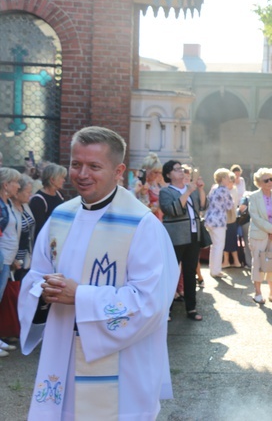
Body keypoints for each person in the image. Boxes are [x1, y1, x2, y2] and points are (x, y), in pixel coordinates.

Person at [19, 126, 179, 419]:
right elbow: (35, 274)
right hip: (62, 354)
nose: (82, 174)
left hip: (120, 367)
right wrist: (43, 290)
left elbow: (150, 303)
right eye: (76, 164)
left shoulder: (142, 225)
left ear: (118, 170)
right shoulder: (61, 216)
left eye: (94, 166)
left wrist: (79, 296)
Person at [160, 160, 207, 320]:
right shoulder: (166, 192)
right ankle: (166, 309)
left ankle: (191, 308)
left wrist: (200, 190)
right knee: (171, 273)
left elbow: (202, 205)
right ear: (168, 174)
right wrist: (187, 192)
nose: (181, 171)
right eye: (176, 169)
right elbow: (173, 210)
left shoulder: (190, 189)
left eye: (181, 169)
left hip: (193, 235)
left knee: (190, 272)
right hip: (176, 237)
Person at [247, 168, 272, 305]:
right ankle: (257, 293)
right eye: (266, 180)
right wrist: (271, 229)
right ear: (259, 182)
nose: (270, 182)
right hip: (259, 235)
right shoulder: (253, 196)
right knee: (258, 263)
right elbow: (255, 217)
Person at [0, 166, 22, 357]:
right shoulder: (1, 205)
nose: (18, 186)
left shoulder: (7, 204)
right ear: (6, 185)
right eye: (15, 182)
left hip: (7, 259)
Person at [205, 168, 236, 278]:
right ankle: (216, 270)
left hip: (210, 219)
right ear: (223, 178)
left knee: (214, 246)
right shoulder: (225, 190)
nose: (229, 179)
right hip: (219, 221)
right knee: (219, 246)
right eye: (228, 177)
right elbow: (229, 205)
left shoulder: (214, 188)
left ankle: (213, 269)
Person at [28, 163, 67, 231]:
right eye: (61, 177)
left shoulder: (59, 194)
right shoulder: (38, 200)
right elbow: (39, 228)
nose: (64, 180)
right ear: (52, 179)